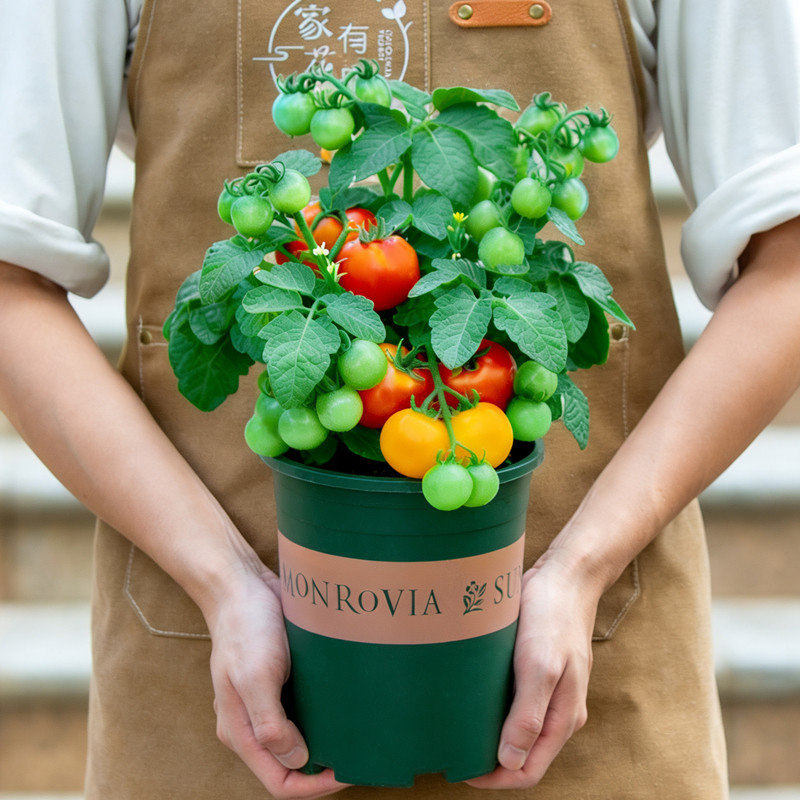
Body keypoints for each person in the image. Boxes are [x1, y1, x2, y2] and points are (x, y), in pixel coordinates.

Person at [1, 1, 799, 798]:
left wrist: (581, 570)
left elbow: (789, 264)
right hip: (214, 682)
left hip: (595, 678)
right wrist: (223, 581)